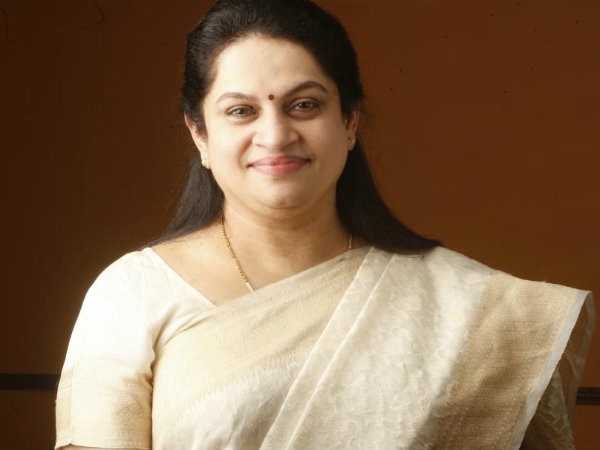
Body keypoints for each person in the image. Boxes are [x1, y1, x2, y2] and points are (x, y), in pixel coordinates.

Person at [55, 0, 595, 449]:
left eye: (304, 105)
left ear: (349, 121)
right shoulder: (133, 295)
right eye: (241, 111)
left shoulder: (467, 309)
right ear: (200, 134)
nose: (275, 135)